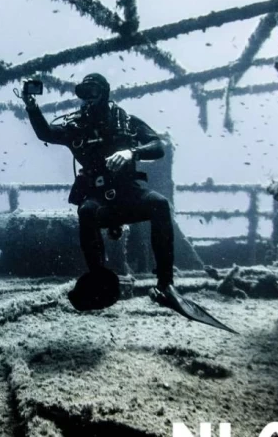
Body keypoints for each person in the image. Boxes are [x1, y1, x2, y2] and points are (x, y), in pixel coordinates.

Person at [21, 72, 183, 309]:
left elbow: (158, 146)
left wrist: (132, 152)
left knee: (159, 204)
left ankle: (165, 284)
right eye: (82, 93)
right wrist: (31, 106)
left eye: (92, 92)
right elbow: (45, 133)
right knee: (86, 211)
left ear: (104, 92)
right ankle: (99, 280)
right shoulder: (76, 127)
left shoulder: (125, 121)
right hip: (98, 196)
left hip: (129, 191)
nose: (87, 99)